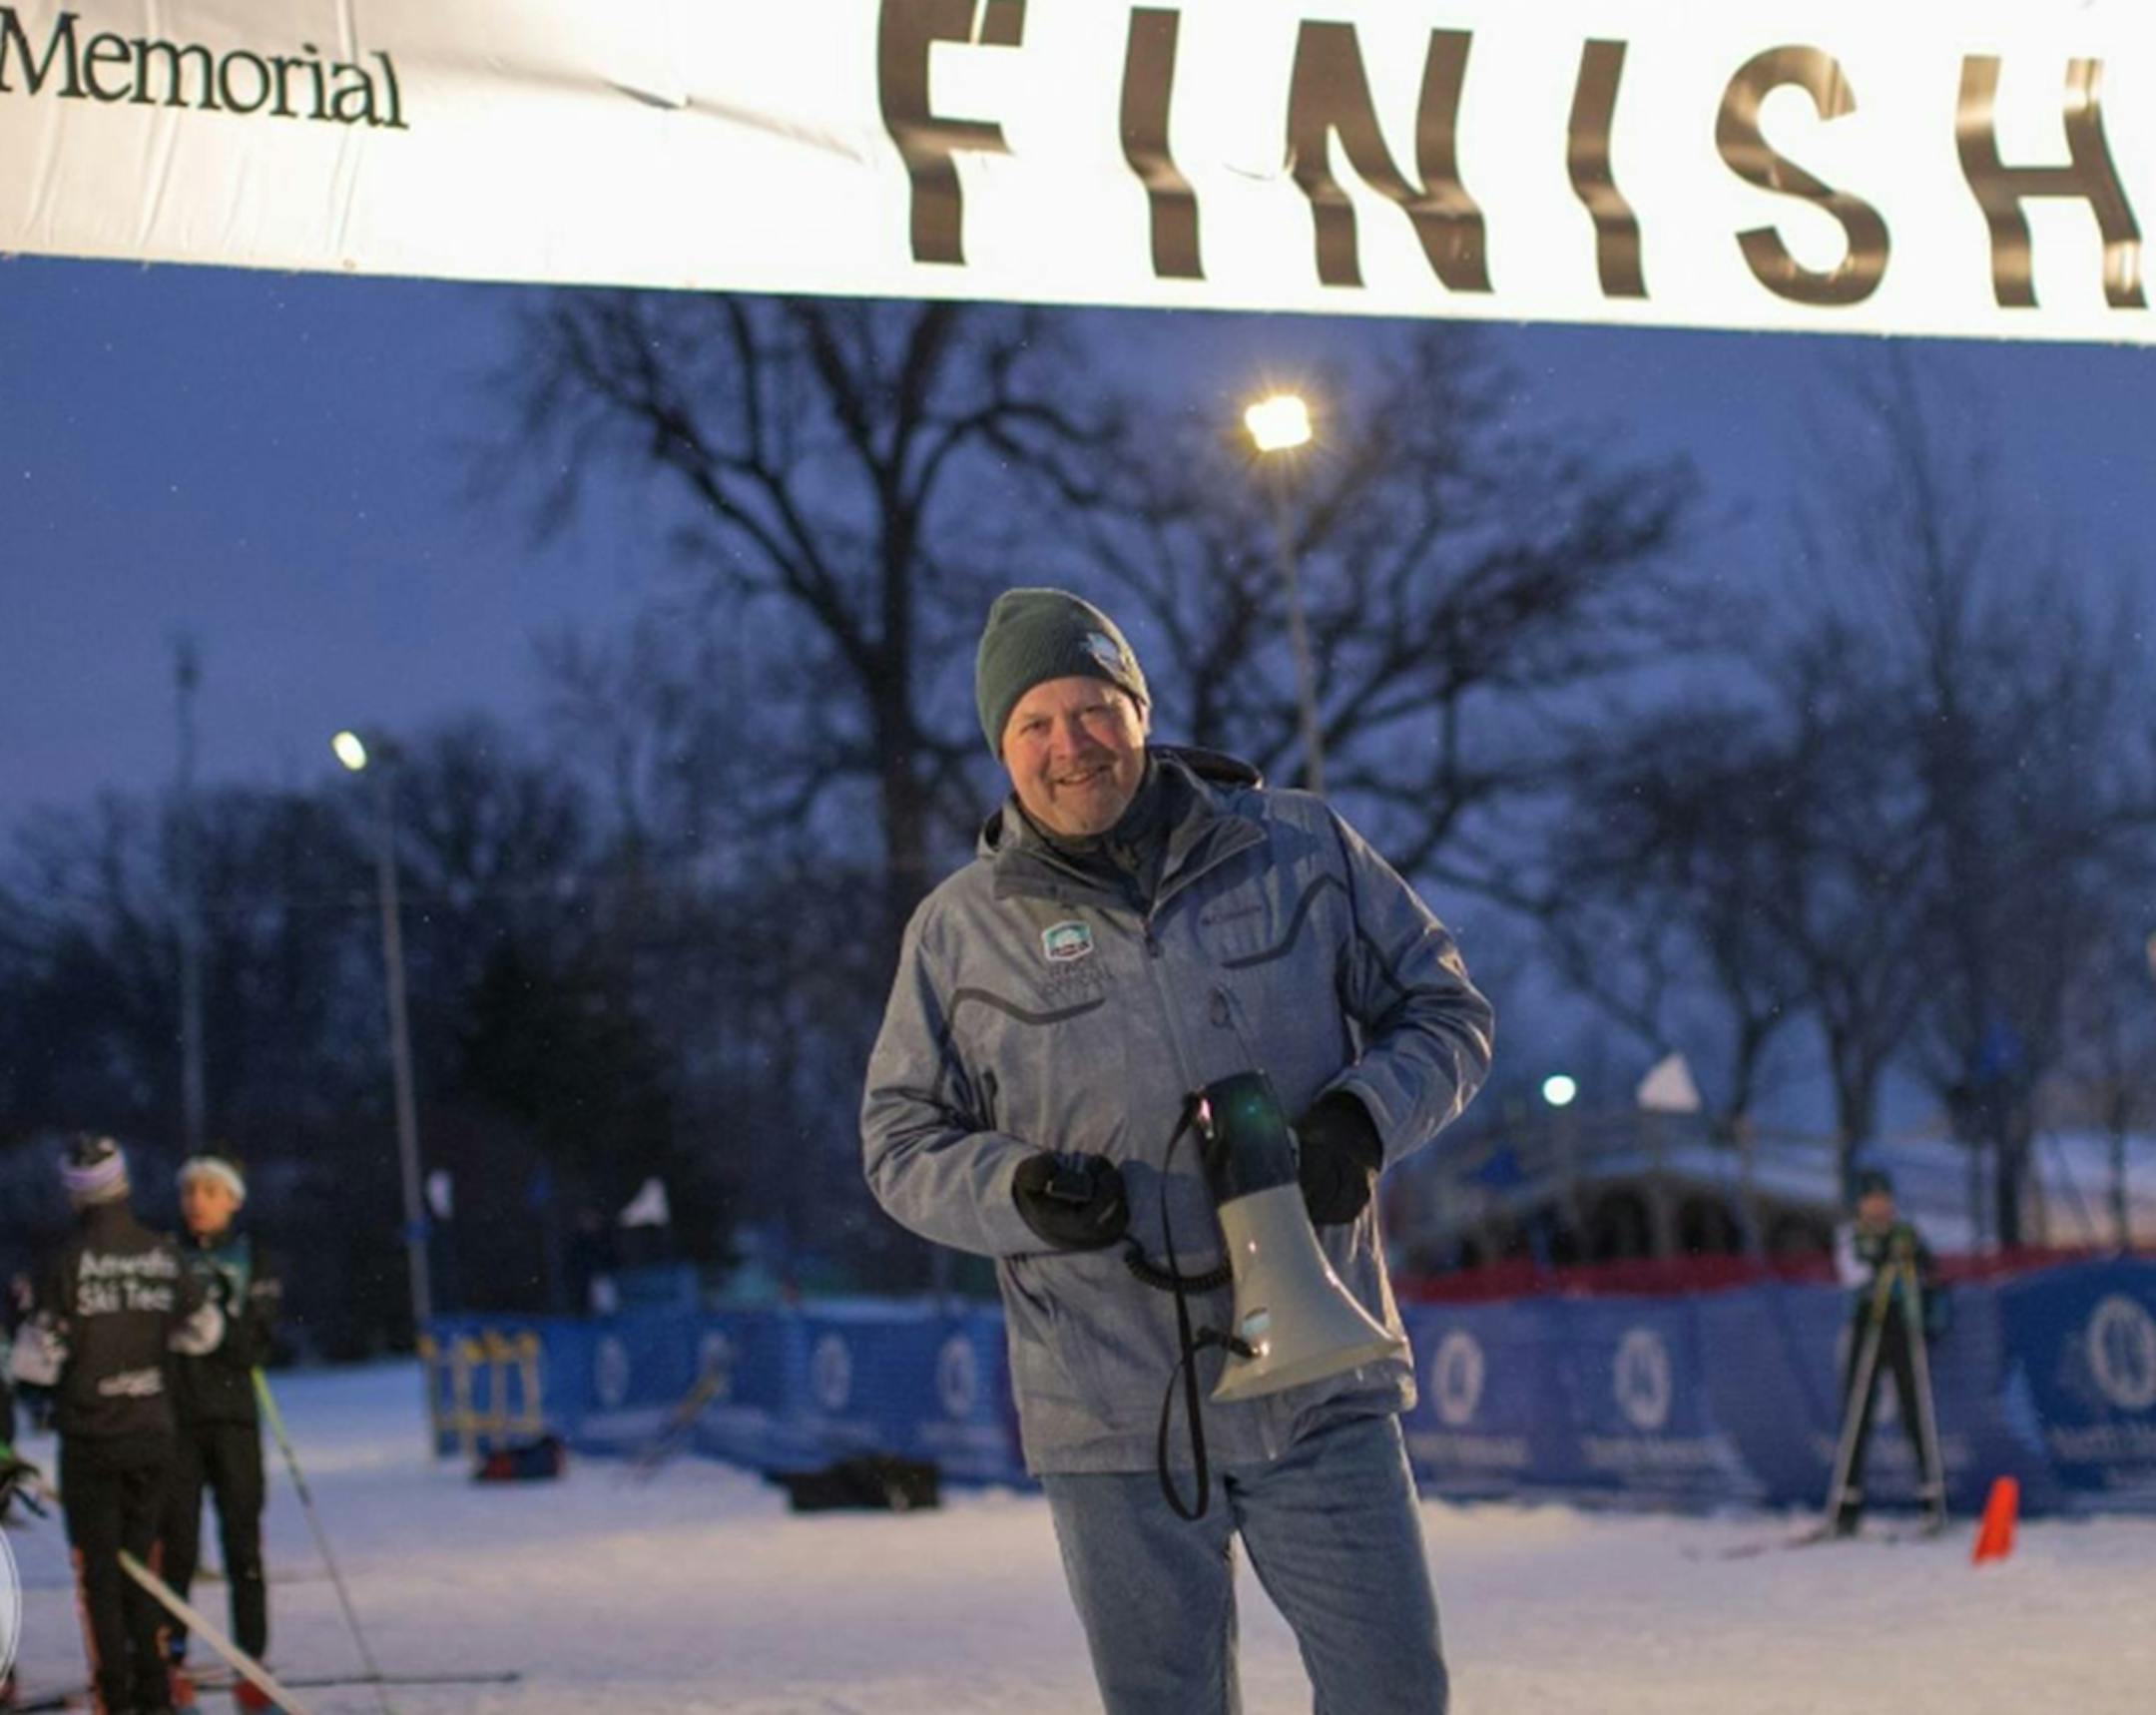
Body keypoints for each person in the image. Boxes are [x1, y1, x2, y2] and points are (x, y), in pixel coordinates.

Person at [862, 589, 1494, 1715]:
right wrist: (1017, 1190)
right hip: (1112, 1405)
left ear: (1140, 708)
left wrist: (1361, 1118)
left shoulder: (1300, 847)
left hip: (1320, 1381)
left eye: (1095, 708)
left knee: (1394, 1687)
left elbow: (1446, 1013)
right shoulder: (958, 930)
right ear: (1002, 748)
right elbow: (899, 1140)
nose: (1071, 743)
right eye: (1036, 723)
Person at [10, 1136, 224, 1715]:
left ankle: (119, 1694)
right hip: (153, 1431)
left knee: (100, 1575)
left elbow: (33, 1362)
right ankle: (156, 1690)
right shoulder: (160, 1252)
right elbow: (205, 1330)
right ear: (123, 1183)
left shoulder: (66, 1262)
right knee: (144, 1565)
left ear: (75, 1193)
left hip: (91, 1437)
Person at [162, 1152, 284, 1715]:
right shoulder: (163, 1255)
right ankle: (172, 1659)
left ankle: (251, 1663)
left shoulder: (253, 1256)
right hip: (176, 1421)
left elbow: (256, 1344)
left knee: (243, 1546)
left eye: (210, 1193)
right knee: (177, 1545)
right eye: (191, 1193)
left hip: (233, 1419)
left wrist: (213, 1327)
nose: (198, 1203)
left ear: (232, 1200)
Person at [1829, 1166, 1945, 1534]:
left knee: (1915, 1408)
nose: (1878, 1206)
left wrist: (1912, 1257)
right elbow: (1852, 1274)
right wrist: (1882, 1256)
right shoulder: (1851, 1236)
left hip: (1900, 1324)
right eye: (1871, 1199)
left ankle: (1931, 1501)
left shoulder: (1906, 1232)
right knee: (1858, 1410)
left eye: (1883, 1198)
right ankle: (1847, 1506)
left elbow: (1929, 1268)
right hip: (1868, 1324)